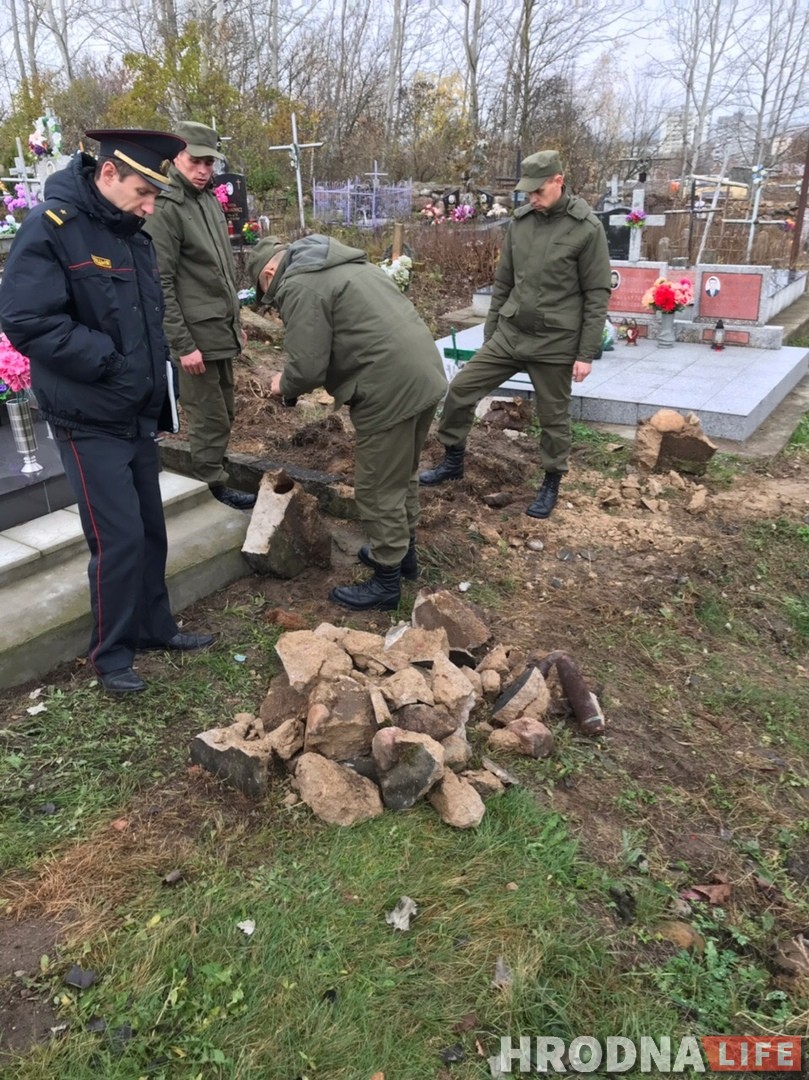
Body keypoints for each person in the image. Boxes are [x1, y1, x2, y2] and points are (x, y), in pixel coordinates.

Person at [0, 130, 214, 694]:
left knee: (149, 527)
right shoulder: (52, 229)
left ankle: (154, 625)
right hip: (88, 415)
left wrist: (154, 384)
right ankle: (111, 654)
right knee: (115, 538)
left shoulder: (132, 236)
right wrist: (111, 365)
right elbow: (27, 320)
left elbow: (146, 319)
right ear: (109, 174)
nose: (150, 207)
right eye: (143, 192)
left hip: (136, 411)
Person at [247, 234, 447, 611]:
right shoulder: (343, 263)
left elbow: (307, 366)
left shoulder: (300, 283)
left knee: (376, 486)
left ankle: (386, 585)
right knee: (401, 474)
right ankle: (404, 557)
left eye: (266, 294)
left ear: (269, 271)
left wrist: (283, 385)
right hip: (423, 373)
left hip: (388, 386)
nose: (272, 303)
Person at [419, 149, 612, 519]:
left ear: (558, 180)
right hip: (510, 335)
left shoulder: (586, 229)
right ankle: (453, 460)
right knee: (460, 390)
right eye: (527, 193)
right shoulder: (521, 223)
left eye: (538, 191)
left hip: (555, 342)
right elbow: (503, 281)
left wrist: (585, 354)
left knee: (554, 418)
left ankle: (551, 483)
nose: (531, 199)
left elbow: (597, 294)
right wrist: (492, 335)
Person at [146, 121, 254, 510]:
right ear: (177, 156)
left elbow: (221, 271)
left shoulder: (206, 199)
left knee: (224, 410)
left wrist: (236, 322)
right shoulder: (166, 206)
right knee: (208, 415)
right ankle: (211, 488)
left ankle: (216, 469)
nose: (204, 169)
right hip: (194, 338)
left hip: (219, 328)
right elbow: (161, 283)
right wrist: (182, 344)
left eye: (209, 162)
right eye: (196, 160)